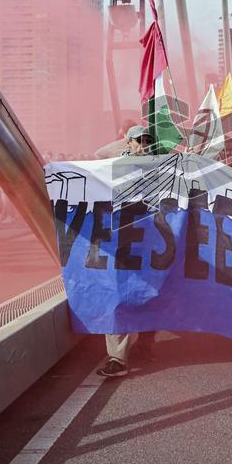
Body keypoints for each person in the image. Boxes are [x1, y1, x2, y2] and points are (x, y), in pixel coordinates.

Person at [95, 124, 156, 377]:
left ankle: (146, 342)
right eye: (138, 140)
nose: (143, 145)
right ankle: (117, 357)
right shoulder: (114, 165)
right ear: (128, 143)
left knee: (151, 291)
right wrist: (124, 144)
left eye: (146, 140)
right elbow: (99, 153)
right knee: (116, 293)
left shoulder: (158, 165)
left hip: (151, 240)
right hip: (120, 240)